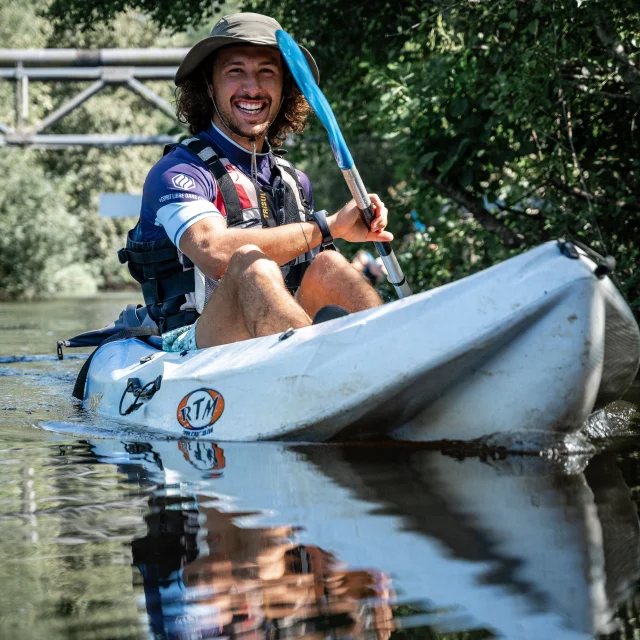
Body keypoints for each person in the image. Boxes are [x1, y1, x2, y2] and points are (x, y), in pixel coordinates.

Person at [119, 12, 393, 352]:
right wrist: (329, 226)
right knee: (252, 264)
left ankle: (390, 352)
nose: (252, 87)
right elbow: (213, 251)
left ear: (284, 88)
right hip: (190, 347)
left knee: (330, 265)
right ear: (209, 84)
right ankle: (317, 367)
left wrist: (347, 226)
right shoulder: (179, 171)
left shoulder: (294, 181)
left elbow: (312, 263)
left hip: (274, 339)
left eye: (267, 72)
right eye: (236, 71)